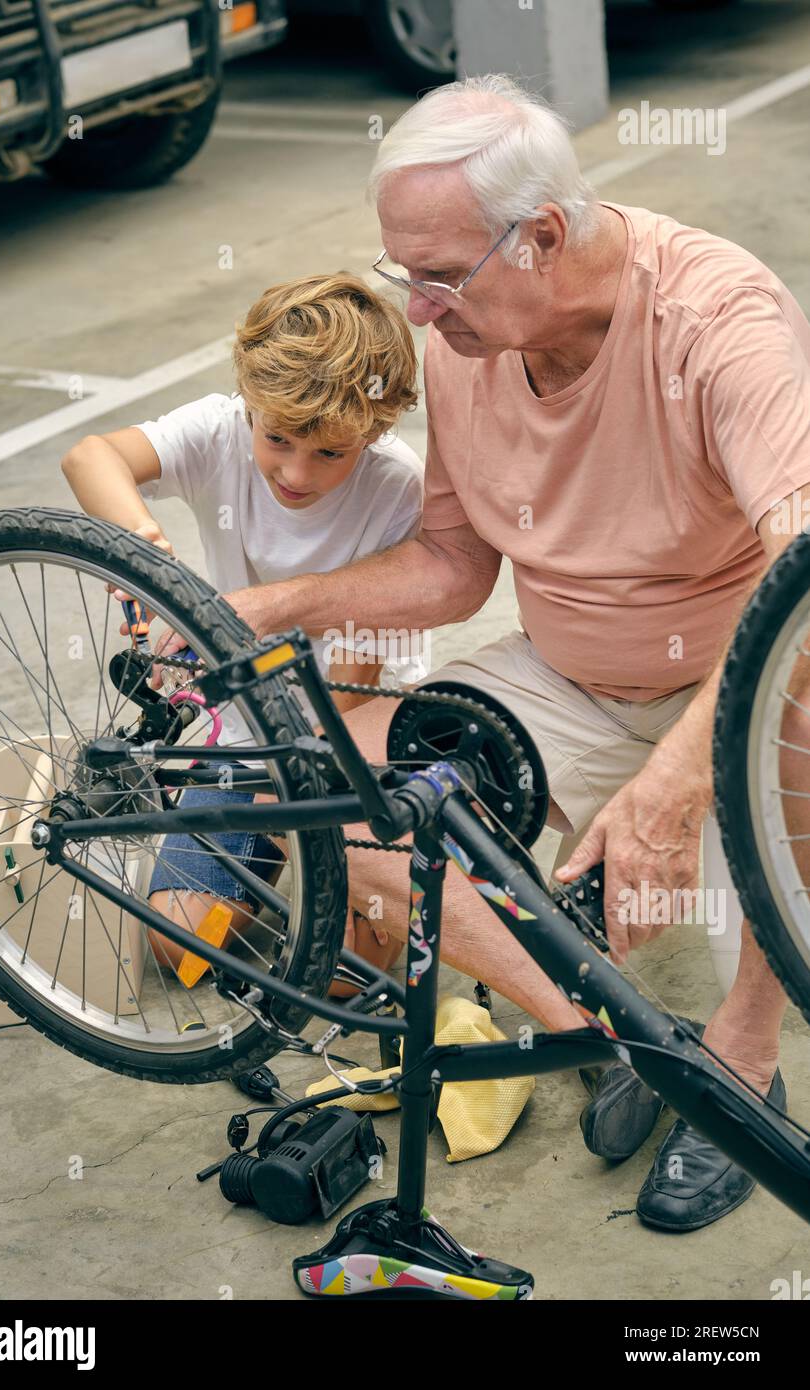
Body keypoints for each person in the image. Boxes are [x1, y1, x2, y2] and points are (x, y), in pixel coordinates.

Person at [215, 76, 810, 1232]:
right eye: (405, 276)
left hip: (736, 688)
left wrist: (679, 781)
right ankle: (611, 1035)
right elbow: (451, 558)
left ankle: (740, 1057)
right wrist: (268, 603)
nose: (418, 313)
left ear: (539, 236)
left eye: (436, 277)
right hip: (566, 673)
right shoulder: (465, 337)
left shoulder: (712, 316)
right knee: (345, 788)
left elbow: (801, 561)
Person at [61, 272, 423, 991]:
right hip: (246, 736)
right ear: (250, 404)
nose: (295, 471)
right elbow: (89, 457)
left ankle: (340, 873)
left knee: (349, 979)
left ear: (376, 429)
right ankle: (272, 868)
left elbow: (355, 683)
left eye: (330, 453)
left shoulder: (396, 487)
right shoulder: (219, 429)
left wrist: (285, 803)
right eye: (279, 438)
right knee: (176, 943)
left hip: (350, 733)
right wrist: (143, 553)